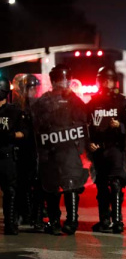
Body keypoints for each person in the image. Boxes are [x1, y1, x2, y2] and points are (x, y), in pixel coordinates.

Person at [31, 65, 89, 235]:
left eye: (65, 79)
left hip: (69, 149)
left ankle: (72, 221)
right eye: (59, 79)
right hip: (51, 150)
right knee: (52, 185)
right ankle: (54, 221)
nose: (62, 83)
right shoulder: (44, 100)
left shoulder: (74, 100)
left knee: (71, 184)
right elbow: (37, 124)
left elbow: (83, 121)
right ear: (53, 80)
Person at [87, 67, 126, 233]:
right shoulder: (92, 103)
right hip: (99, 150)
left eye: (109, 80)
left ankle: (117, 221)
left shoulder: (122, 102)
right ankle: (104, 220)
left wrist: (120, 126)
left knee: (116, 183)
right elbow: (86, 126)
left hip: (115, 148)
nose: (106, 83)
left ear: (115, 81)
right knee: (101, 185)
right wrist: (89, 143)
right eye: (103, 80)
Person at [11, 74, 45, 232]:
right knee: (22, 184)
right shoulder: (17, 107)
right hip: (24, 149)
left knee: (39, 185)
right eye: (29, 88)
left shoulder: (40, 105)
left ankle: (37, 217)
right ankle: (23, 214)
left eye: (34, 88)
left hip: (38, 149)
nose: (32, 91)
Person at [0, 76, 27, 235]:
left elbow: (25, 133)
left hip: (6, 156)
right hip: (6, 155)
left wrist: (11, 135)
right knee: (10, 191)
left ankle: (10, 224)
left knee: (10, 191)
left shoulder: (14, 111)